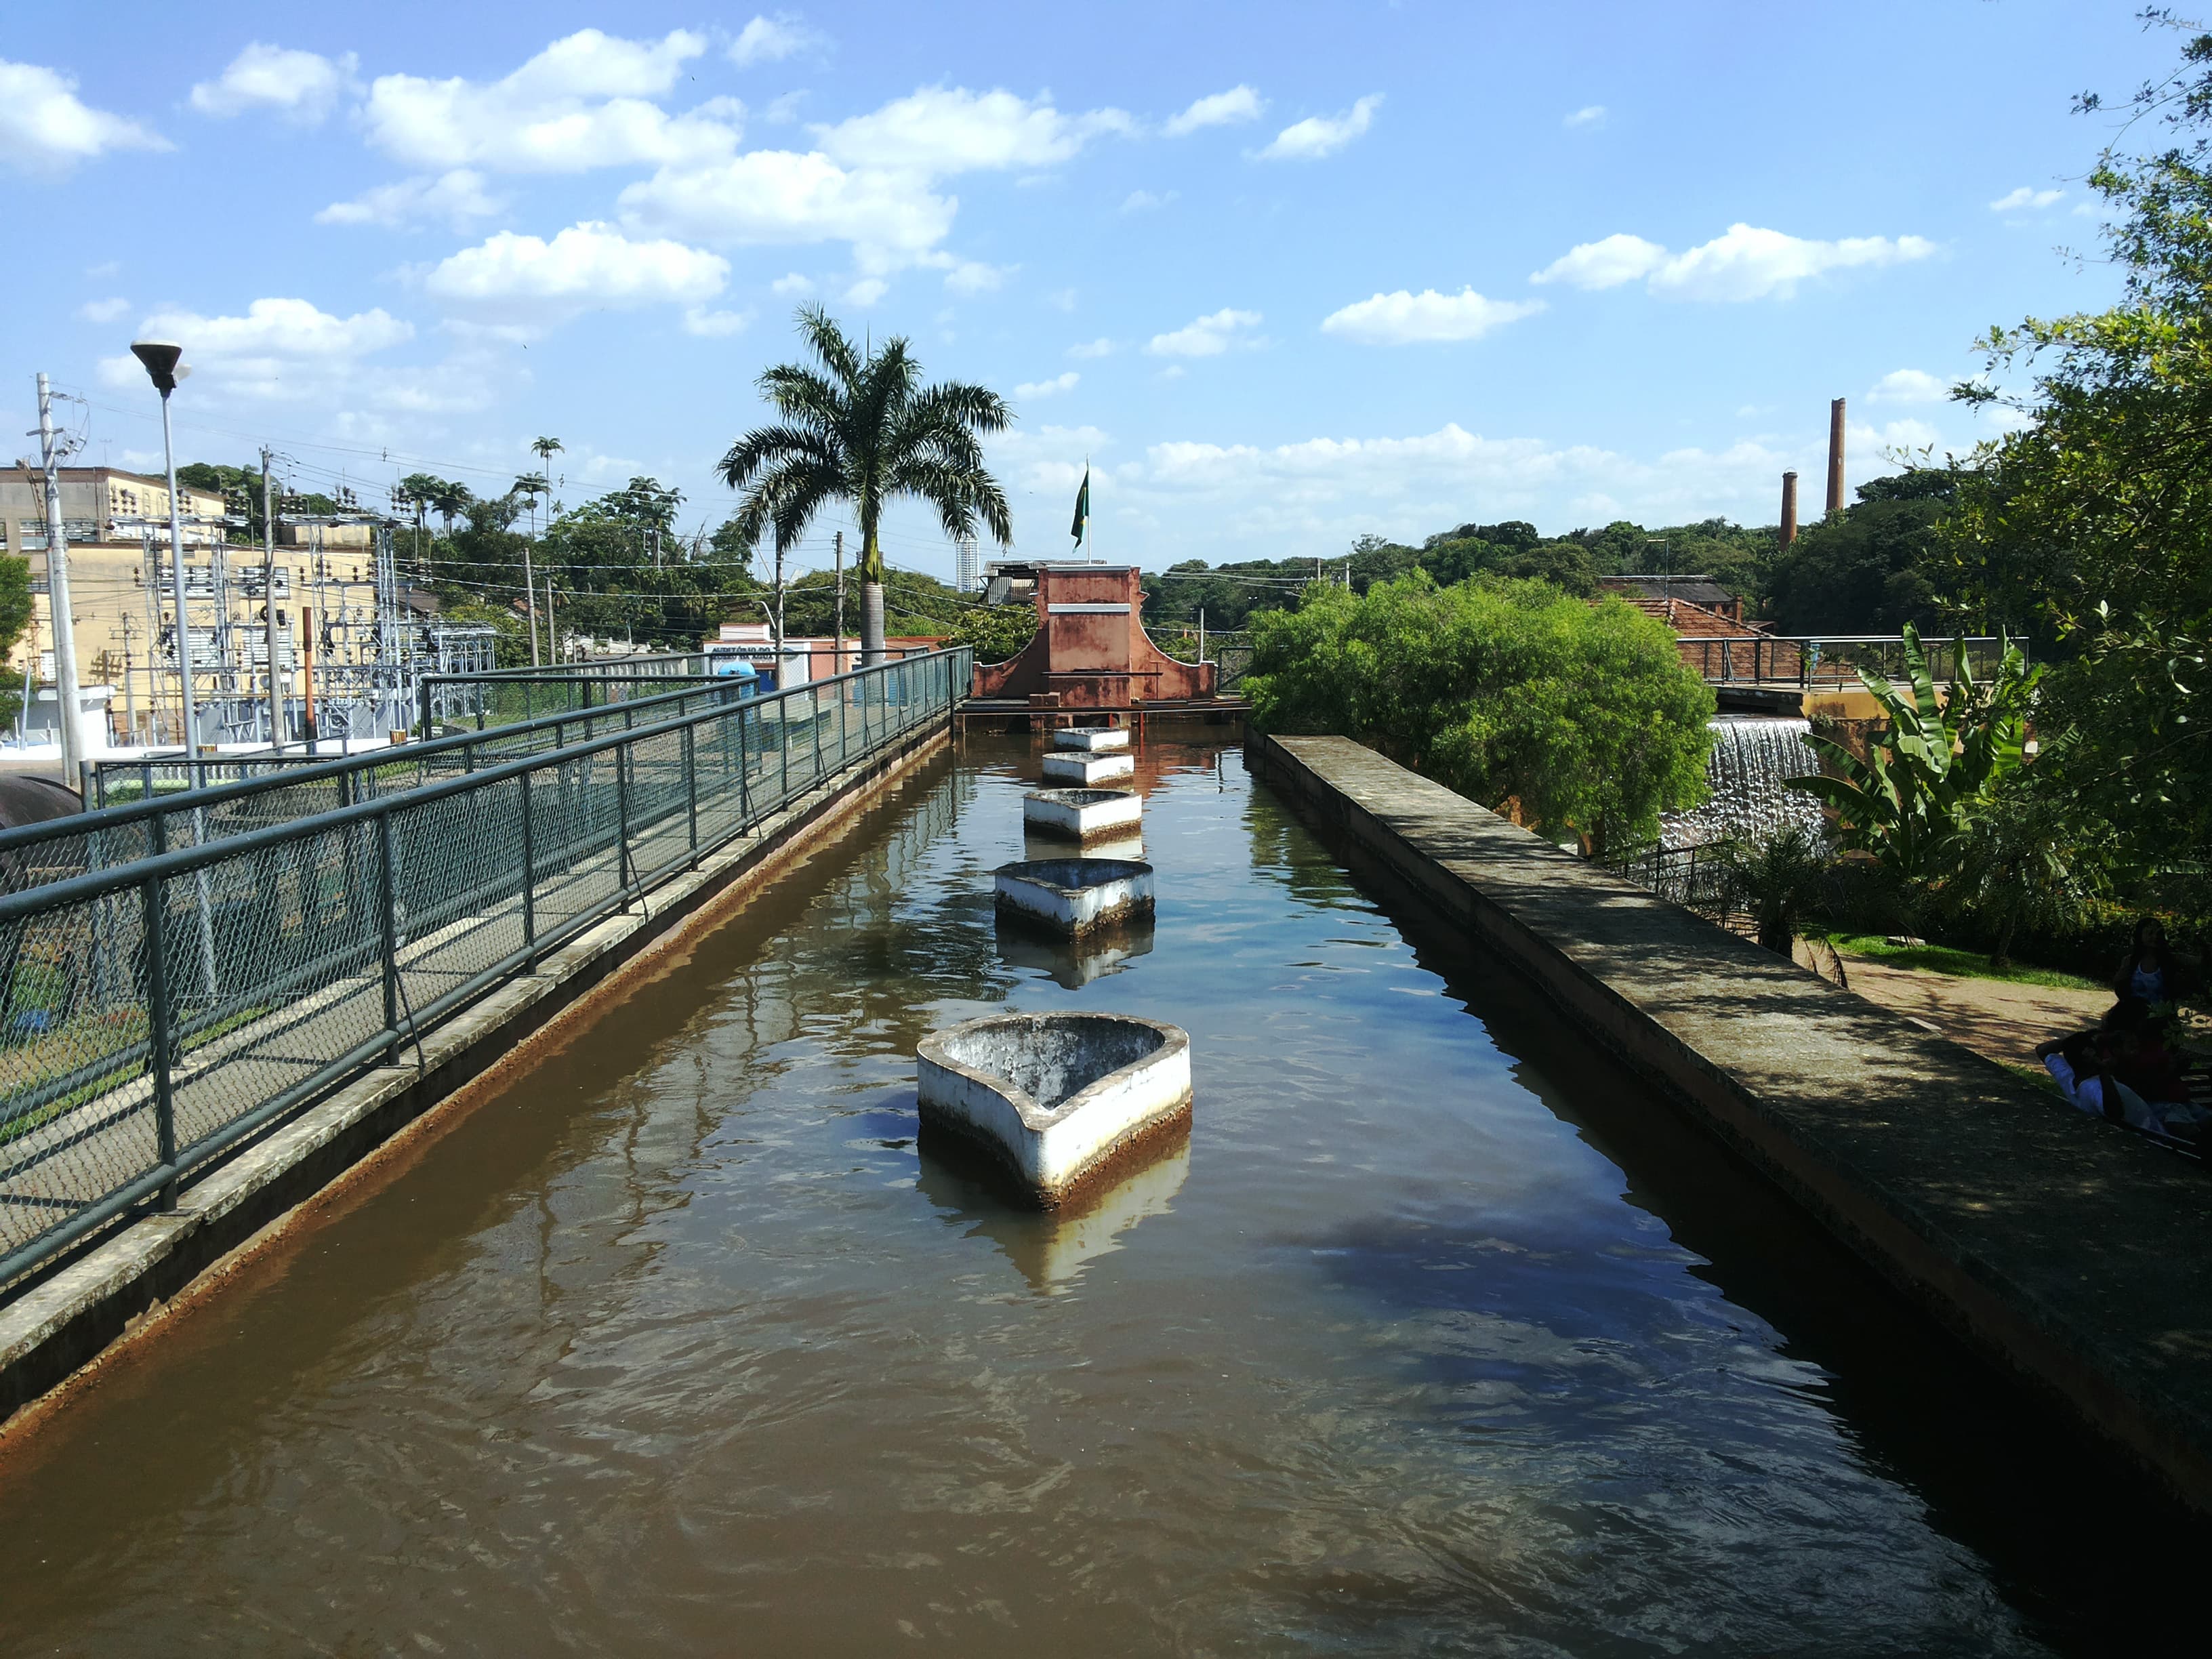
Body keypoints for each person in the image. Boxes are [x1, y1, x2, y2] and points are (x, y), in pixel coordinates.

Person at [2112, 918, 2192, 1010]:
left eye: (2158, 933)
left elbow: (2201, 962)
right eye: (2150, 933)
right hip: (2134, 1017)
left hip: (2163, 1017)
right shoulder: (2129, 961)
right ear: (2140, 936)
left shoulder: (2173, 959)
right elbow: (2119, 987)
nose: (2155, 937)